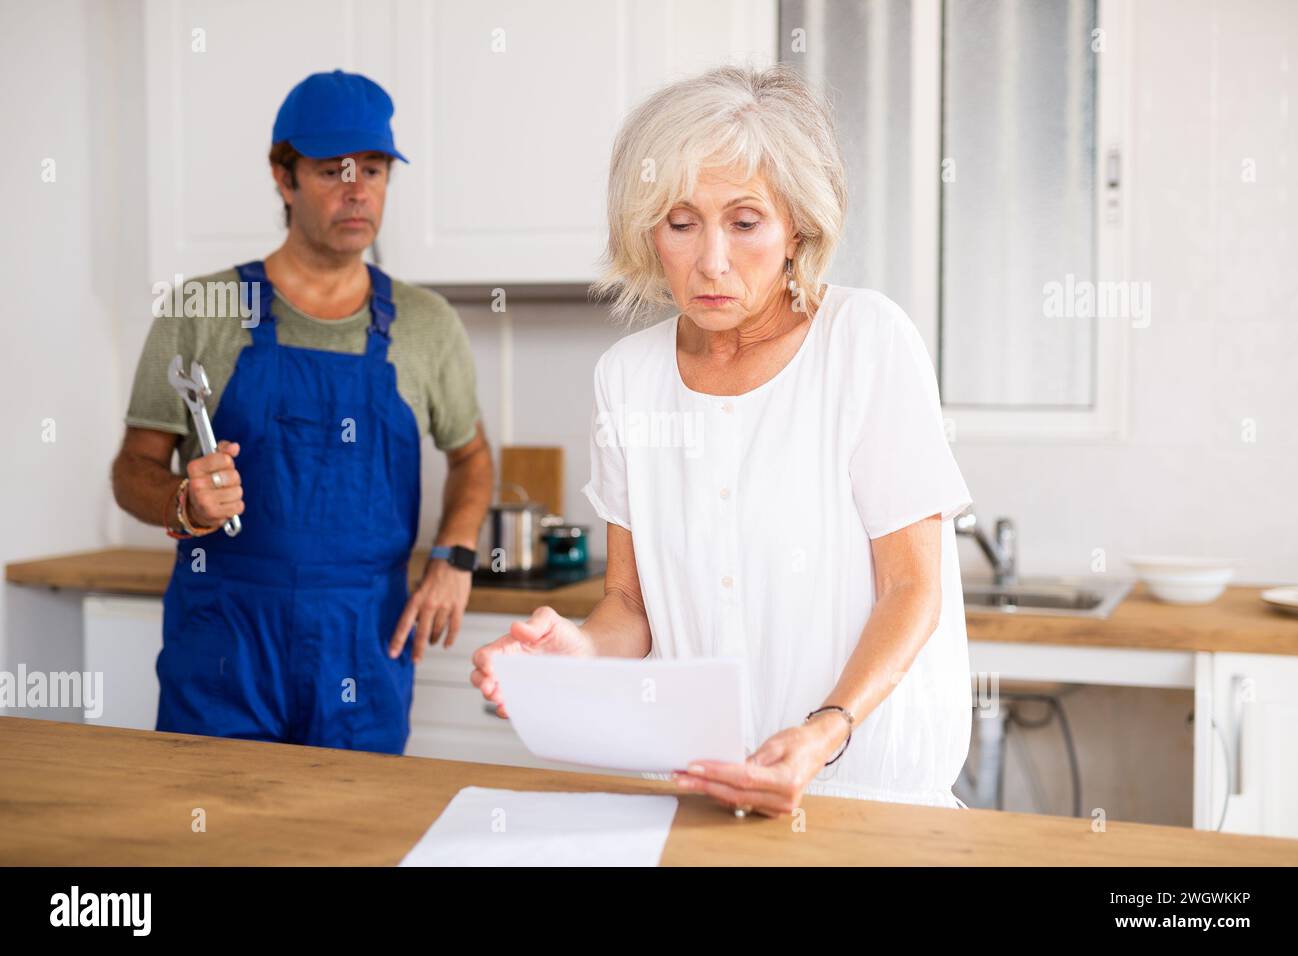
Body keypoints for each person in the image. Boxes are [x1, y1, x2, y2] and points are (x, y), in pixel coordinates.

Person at [471, 64, 974, 815]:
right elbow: (629, 606)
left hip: (870, 795)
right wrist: (575, 652)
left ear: (797, 227)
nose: (711, 260)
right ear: (649, 229)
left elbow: (913, 588)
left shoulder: (865, 342)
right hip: (703, 790)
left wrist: (823, 731)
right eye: (681, 223)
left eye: (745, 222)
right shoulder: (628, 378)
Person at [112, 70, 492, 754]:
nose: (358, 191)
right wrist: (182, 504)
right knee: (210, 842)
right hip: (225, 638)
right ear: (283, 178)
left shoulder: (427, 324)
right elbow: (132, 467)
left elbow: (471, 457)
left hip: (363, 639)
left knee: (352, 844)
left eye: (373, 170)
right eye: (332, 171)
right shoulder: (203, 309)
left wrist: (454, 557)